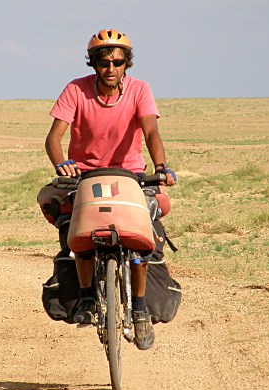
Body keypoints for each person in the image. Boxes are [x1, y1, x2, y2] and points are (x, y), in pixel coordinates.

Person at [45, 28, 176, 350]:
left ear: (126, 64)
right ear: (94, 64)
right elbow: (53, 137)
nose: (111, 68)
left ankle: (141, 309)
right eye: (104, 62)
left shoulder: (139, 90)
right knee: (77, 233)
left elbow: (151, 132)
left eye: (118, 62)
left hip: (129, 177)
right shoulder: (76, 90)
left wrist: (160, 167)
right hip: (85, 177)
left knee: (144, 239)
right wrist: (62, 163)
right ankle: (87, 296)